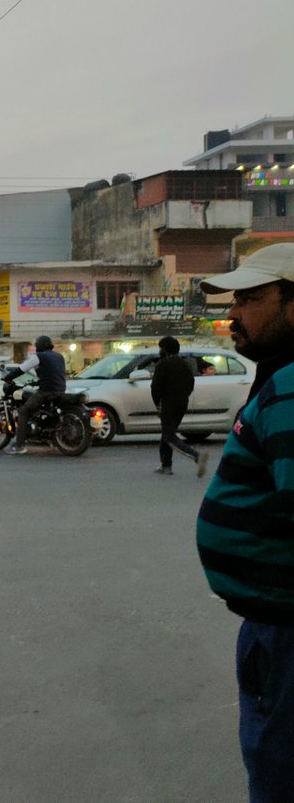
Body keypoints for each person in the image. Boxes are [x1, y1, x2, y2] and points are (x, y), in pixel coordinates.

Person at [195, 244, 294, 801]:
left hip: (287, 635)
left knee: (280, 773)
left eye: (251, 299)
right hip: (274, 624)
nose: (233, 313)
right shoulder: (279, 378)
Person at [150, 336, 209, 477]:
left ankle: (196, 456)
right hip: (182, 403)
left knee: (169, 436)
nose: (159, 351)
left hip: (168, 404)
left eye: (160, 348)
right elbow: (191, 383)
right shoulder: (184, 365)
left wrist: (158, 404)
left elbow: (156, 388)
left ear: (164, 349)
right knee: (167, 433)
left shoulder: (163, 365)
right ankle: (166, 466)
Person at [2, 335, 66, 455]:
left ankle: (19, 445)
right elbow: (54, 374)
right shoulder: (59, 356)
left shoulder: (39, 357)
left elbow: (22, 369)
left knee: (24, 411)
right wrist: (38, 381)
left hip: (46, 391)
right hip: (61, 390)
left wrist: (7, 377)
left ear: (39, 346)